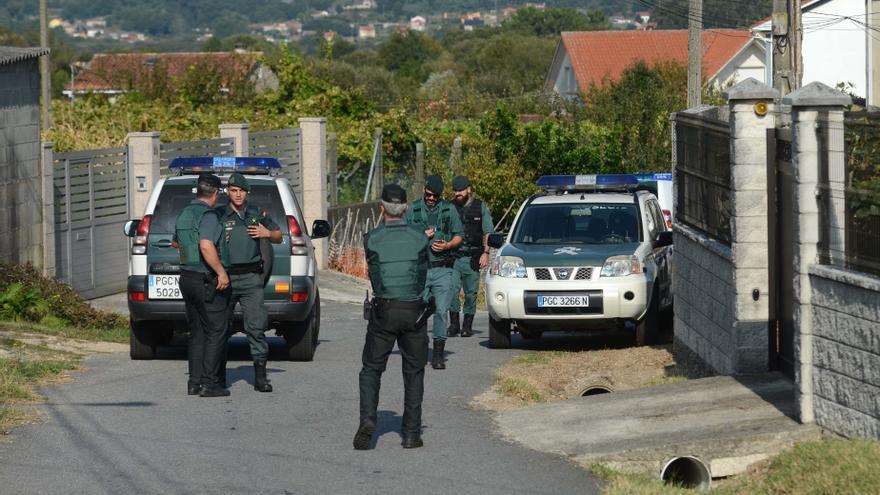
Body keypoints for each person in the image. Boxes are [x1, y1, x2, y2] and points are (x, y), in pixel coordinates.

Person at [354, 184, 431, 450]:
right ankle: (411, 434)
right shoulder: (421, 237)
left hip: (383, 310)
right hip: (414, 311)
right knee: (414, 371)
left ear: (381, 208)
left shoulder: (371, 238)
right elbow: (423, 273)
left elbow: (374, 275)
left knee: (371, 369)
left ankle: (367, 420)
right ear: (406, 208)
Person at [216, 172, 283, 393]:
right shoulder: (218, 214)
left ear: (247, 193)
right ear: (228, 192)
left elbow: (278, 235)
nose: (237, 195)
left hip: (251, 278)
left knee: (256, 327)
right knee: (220, 328)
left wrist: (266, 233)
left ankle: (261, 376)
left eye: (241, 191)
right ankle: (218, 375)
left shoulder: (256, 213)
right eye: (234, 191)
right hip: (225, 277)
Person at [175, 173, 231, 398]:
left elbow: (176, 241)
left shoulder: (185, 213)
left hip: (187, 277)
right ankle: (210, 384)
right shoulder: (209, 215)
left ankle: (194, 382)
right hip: (205, 280)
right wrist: (221, 272)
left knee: (197, 332)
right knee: (216, 331)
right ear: (216, 193)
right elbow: (206, 245)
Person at [404, 175, 463, 370]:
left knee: (440, 310)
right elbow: (402, 236)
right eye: (429, 195)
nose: (431, 199)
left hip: (442, 268)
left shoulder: (449, 209)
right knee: (418, 312)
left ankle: (438, 354)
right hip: (420, 270)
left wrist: (447, 245)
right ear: (424, 191)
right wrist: (421, 236)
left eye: (435, 196)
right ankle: (418, 350)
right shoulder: (413, 210)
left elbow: (459, 236)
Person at [447, 176, 493, 338]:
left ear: (469, 189)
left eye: (460, 190)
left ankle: (467, 325)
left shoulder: (480, 207)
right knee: (451, 291)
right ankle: (453, 324)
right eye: (455, 190)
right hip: (453, 257)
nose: (458, 193)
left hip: (473, 257)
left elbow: (488, 232)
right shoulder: (449, 207)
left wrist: (486, 253)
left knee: (471, 293)